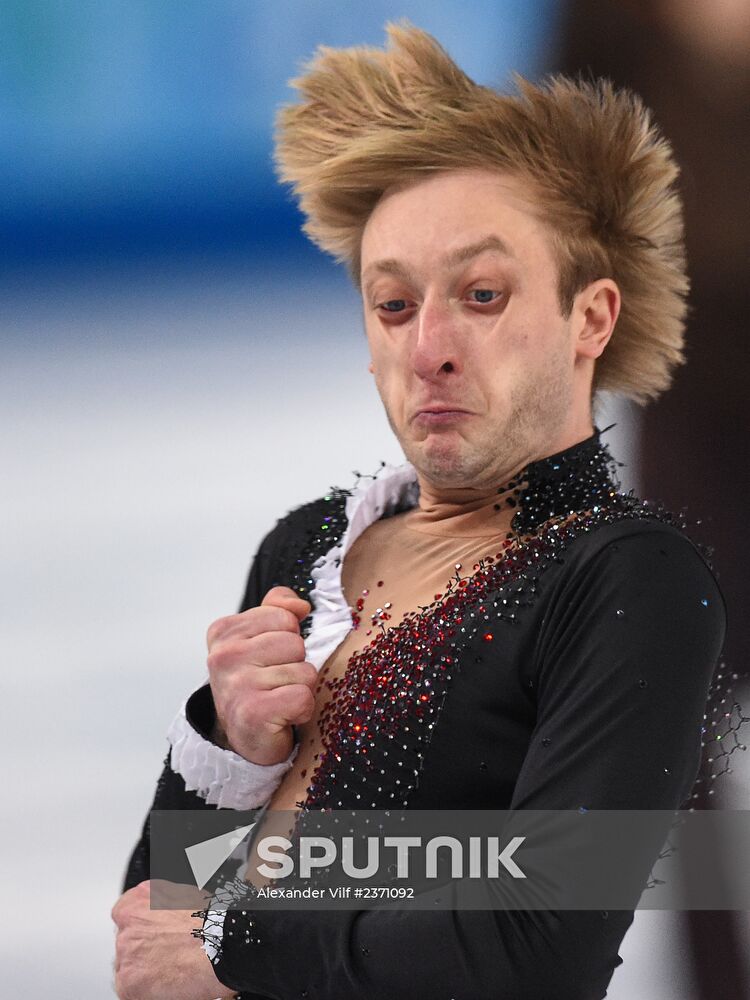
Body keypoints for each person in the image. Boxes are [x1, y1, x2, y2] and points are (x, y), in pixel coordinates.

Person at [111, 21, 736, 1000]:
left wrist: (235, 929)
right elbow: (150, 929)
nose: (430, 347)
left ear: (591, 317)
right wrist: (225, 751)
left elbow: (543, 943)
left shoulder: (625, 581)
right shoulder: (309, 546)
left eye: (482, 294)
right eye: (394, 305)